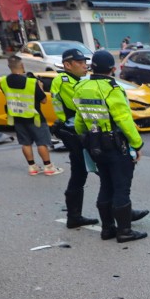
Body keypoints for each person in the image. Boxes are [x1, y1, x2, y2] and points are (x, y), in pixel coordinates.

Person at [73, 50, 147, 243]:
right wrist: (137, 143)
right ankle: (125, 231)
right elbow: (123, 119)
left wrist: (86, 138)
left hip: (94, 144)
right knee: (121, 187)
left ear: (92, 67)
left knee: (105, 185)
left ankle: (107, 229)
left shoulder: (82, 87)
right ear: (113, 69)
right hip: (115, 145)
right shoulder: (112, 89)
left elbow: (79, 120)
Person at [50, 48, 99, 228]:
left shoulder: (72, 80)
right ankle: (120, 213)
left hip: (73, 131)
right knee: (107, 171)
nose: (84, 66)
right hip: (75, 132)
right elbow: (81, 103)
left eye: (84, 62)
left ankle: (74, 216)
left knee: (80, 174)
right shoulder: (64, 81)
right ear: (67, 65)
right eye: (79, 63)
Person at [1, 55, 61, 176]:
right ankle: (48, 167)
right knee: (41, 143)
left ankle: (32, 167)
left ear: (9, 67)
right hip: (35, 117)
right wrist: (41, 88)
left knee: (26, 143)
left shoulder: (3, 81)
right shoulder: (30, 82)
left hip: (17, 117)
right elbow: (43, 100)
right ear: (22, 65)